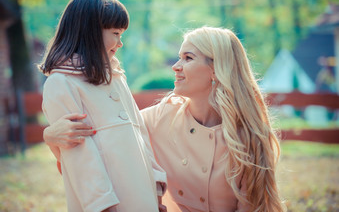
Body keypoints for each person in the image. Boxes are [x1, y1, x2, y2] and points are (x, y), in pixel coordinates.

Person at [44, 26, 286, 212]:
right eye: (179, 57)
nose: (175, 67)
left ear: (216, 69)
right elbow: (104, 145)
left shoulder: (250, 137)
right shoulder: (160, 118)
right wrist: (50, 136)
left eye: (188, 58)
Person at [39, 0, 166, 212]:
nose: (120, 42)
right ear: (90, 32)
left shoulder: (116, 77)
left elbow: (140, 135)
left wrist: (155, 189)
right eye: (116, 33)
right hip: (109, 202)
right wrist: (102, 205)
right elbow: (79, 156)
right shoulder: (61, 83)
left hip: (142, 195)